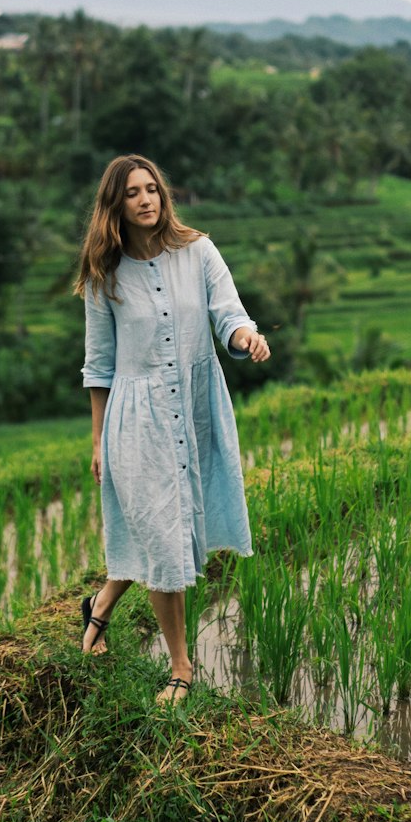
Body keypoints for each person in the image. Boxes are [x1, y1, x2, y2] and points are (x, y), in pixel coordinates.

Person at [74, 153, 269, 702]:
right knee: (161, 532)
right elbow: (99, 366)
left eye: (152, 189)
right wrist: (97, 442)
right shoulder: (103, 277)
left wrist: (244, 338)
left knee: (172, 527)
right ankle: (182, 668)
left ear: (164, 195)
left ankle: (101, 607)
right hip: (136, 420)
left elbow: (229, 315)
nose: (145, 199)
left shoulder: (199, 251)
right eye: (132, 192)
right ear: (115, 204)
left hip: (196, 405)